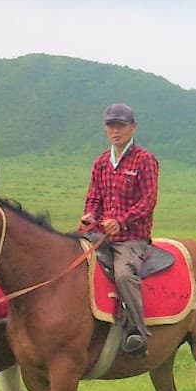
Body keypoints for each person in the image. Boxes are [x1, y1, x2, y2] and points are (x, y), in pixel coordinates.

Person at [77, 102, 159, 355]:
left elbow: (148, 201)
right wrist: (90, 214)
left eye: (121, 126)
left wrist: (121, 221)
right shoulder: (101, 162)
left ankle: (138, 331)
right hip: (101, 235)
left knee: (124, 274)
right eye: (111, 125)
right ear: (105, 129)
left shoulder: (145, 160)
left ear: (132, 127)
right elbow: (94, 197)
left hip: (131, 238)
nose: (116, 131)